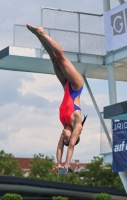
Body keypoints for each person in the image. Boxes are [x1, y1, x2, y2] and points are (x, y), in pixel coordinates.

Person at [26, 24, 87, 174]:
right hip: (75, 85)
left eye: (64, 140)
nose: (63, 139)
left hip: (66, 86)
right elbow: (70, 146)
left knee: (53, 60)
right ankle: (42, 33)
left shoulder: (64, 123)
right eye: (67, 139)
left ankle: (39, 36)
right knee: (61, 58)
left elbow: (59, 147)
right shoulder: (76, 123)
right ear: (72, 136)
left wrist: (58, 163)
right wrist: (67, 165)